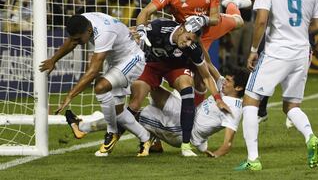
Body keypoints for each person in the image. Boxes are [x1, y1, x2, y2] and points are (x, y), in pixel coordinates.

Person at [234, 0, 318, 171]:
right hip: (301, 52)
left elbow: (261, 21)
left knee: (250, 101)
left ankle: (253, 159)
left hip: (276, 51)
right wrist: (300, 32)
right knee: (291, 105)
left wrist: (254, 50)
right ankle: (310, 136)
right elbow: (317, 25)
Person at [65, 68, 250, 158]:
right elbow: (207, 65)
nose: (223, 82)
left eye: (228, 81)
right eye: (225, 79)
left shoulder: (233, 108)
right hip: (185, 113)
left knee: (134, 114)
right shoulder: (223, 91)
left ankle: (83, 127)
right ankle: (155, 143)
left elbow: (228, 143)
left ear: (239, 87)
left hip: (181, 130)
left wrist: (215, 154)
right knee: (152, 86)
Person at [39, 12, 151, 157]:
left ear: (89, 31)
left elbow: (92, 72)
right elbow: (71, 41)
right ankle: (146, 138)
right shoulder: (83, 22)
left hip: (133, 59)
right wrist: (53, 60)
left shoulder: (104, 32)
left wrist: (69, 96)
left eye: (79, 39)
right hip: (116, 62)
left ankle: (111, 132)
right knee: (117, 112)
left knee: (100, 86)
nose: (77, 42)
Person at [128, 18, 232, 157]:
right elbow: (136, 25)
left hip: (176, 68)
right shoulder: (158, 28)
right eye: (188, 38)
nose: (188, 43)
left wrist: (218, 98)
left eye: (192, 41)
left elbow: (206, 76)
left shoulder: (193, 48)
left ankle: (185, 145)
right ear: (182, 28)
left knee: (188, 84)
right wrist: (131, 33)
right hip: (153, 65)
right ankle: (113, 133)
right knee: (136, 101)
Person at [257, 0, 318, 126]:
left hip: (303, 41)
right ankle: (262, 110)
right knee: (272, 76)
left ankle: (292, 112)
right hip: (280, 39)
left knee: (296, 79)